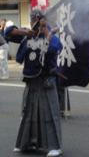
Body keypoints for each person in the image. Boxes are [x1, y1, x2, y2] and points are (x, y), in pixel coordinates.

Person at [11, 10, 63, 156]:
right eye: (32, 18)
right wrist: (24, 33)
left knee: (50, 114)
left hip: (46, 80)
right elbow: (18, 55)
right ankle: (27, 143)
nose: (34, 21)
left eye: (36, 18)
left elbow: (54, 49)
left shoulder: (51, 35)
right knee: (27, 114)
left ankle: (55, 146)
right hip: (31, 81)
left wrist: (48, 32)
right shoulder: (28, 37)